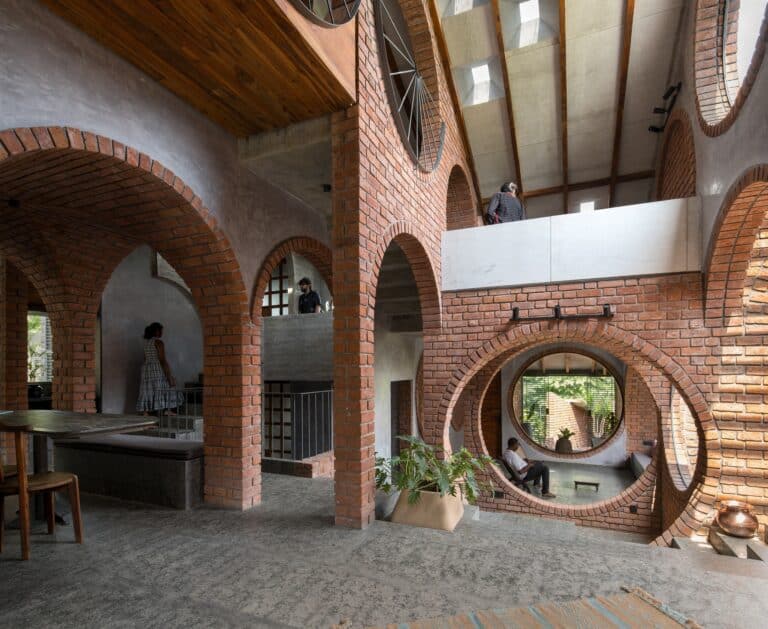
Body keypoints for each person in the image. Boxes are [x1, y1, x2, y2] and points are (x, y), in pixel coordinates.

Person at [136, 322, 181, 415]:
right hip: (157, 368)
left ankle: (146, 411)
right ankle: (166, 409)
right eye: (161, 330)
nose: (162, 333)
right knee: (165, 386)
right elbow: (162, 360)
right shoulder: (158, 342)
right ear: (156, 331)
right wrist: (169, 376)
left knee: (148, 389)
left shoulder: (146, 343)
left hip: (147, 368)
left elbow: (145, 358)